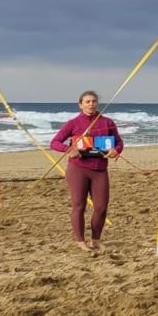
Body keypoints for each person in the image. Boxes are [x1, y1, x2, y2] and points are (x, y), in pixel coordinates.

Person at [48, 90, 123, 252]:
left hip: (99, 169)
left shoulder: (107, 122)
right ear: (80, 105)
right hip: (78, 169)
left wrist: (116, 150)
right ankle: (80, 241)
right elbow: (54, 142)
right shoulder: (73, 123)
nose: (91, 104)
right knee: (79, 206)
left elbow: (119, 142)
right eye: (87, 101)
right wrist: (69, 149)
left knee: (101, 207)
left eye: (94, 101)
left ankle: (96, 240)